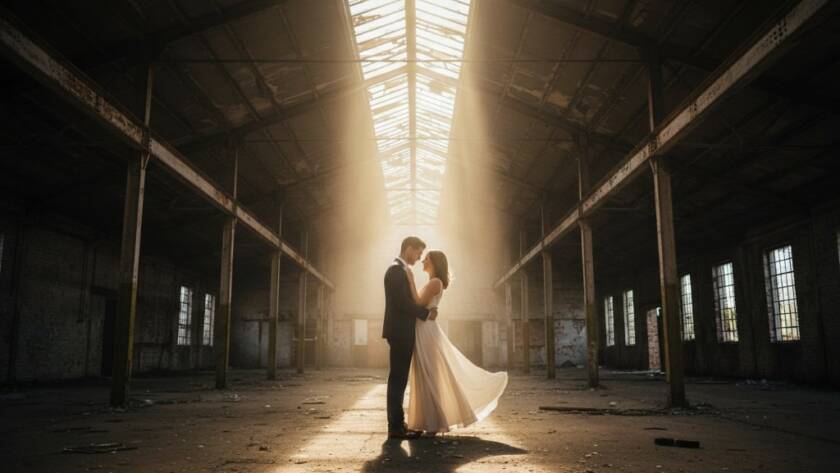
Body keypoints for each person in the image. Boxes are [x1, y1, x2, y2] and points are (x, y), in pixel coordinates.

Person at [404, 249, 508, 435]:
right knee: (426, 374)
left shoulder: (435, 282)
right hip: (424, 328)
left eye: (426, 259)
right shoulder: (434, 282)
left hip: (426, 330)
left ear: (434, 262)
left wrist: (410, 281)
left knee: (429, 374)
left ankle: (433, 423)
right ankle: (429, 422)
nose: (422, 262)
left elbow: (419, 303)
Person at [382, 236, 437, 439]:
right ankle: (395, 427)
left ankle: (398, 424)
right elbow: (402, 303)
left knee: (400, 379)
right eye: (418, 253)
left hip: (401, 331)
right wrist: (425, 314)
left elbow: (405, 301)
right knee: (397, 379)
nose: (419, 257)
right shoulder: (396, 270)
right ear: (408, 249)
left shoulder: (401, 270)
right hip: (399, 332)